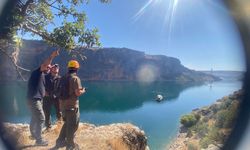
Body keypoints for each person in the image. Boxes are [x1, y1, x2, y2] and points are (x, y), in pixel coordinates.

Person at [27, 50, 59, 146]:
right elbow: (45, 64)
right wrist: (52, 56)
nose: (50, 67)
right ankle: (39, 140)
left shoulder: (41, 76)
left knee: (34, 117)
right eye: (49, 66)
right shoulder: (38, 72)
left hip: (35, 99)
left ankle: (33, 135)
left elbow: (41, 88)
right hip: (34, 100)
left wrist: (44, 93)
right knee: (41, 119)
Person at [54, 60, 85, 150]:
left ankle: (60, 141)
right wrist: (83, 90)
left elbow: (59, 93)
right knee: (73, 126)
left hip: (63, 107)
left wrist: (60, 107)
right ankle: (70, 145)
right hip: (72, 107)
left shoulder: (62, 78)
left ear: (68, 68)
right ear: (77, 68)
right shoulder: (75, 79)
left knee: (67, 124)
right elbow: (78, 93)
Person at [43, 64, 62, 130]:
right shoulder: (45, 77)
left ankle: (60, 125)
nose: (56, 69)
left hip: (56, 97)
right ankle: (48, 127)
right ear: (51, 69)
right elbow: (41, 85)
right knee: (47, 112)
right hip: (47, 97)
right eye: (54, 68)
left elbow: (61, 89)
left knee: (59, 112)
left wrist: (57, 95)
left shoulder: (59, 78)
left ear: (58, 70)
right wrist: (44, 92)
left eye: (57, 68)